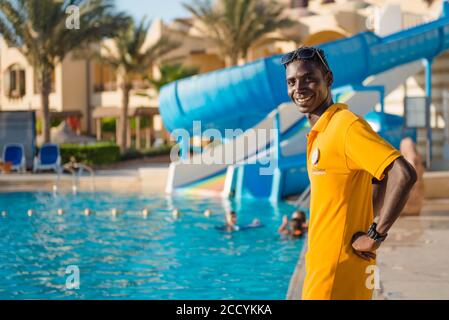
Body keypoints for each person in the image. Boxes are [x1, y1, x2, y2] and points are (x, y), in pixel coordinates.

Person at [282, 46, 417, 300]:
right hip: (330, 267)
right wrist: (366, 224)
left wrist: (375, 235)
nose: (298, 89)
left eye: (308, 78)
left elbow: (403, 173)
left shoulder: (345, 126)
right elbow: (379, 175)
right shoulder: (323, 131)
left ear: (329, 79)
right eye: (291, 82)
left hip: (335, 274)